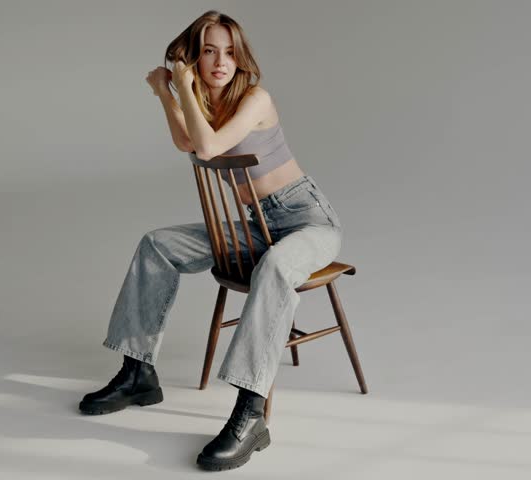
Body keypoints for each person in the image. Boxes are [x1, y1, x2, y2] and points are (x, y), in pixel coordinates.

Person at [78, 10, 343, 471]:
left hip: (306, 222)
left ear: (241, 58)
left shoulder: (255, 99)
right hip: (256, 225)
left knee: (277, 268)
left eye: (229, 51)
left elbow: (207, 148)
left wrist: (179, 80)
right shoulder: (206, 105)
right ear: (195, 56)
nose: (221, 61)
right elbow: (187, 141)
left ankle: (250, 412)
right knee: (156, 243)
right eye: (208, 50)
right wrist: (167, 91)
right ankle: (137, 372)